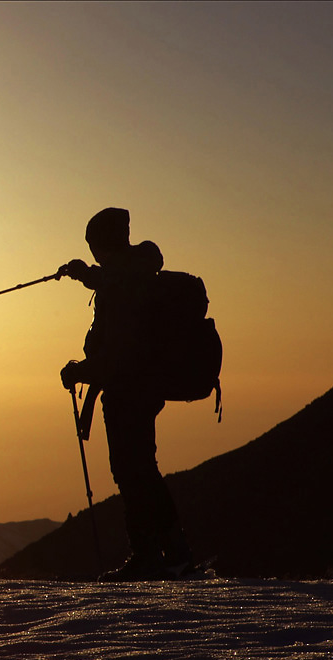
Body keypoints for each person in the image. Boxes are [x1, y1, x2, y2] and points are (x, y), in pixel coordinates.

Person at [58, 208, 195, 580]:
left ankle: (148, 555)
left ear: (104, 245)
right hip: (143, 387)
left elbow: (117, 353)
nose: (94, 253)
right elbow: (112, 280)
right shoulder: (134, 275)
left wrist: (79, 371)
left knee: (131, 472)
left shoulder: (122, 288)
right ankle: (174, 551)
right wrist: (85, 274)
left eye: (94, 246)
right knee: (143, 469)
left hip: (127, 390)